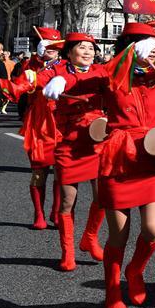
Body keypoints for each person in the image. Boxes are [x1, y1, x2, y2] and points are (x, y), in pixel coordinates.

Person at [48, 22, 155, 308]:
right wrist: (61, 80)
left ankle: (135, 270)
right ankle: (112, 293)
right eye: (143, 47)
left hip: (151, 157)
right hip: (118, 158)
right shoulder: (111, 75)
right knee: (119, 234)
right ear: (128, 49)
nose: (149, 54)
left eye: (152, 49)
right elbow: (83, 79)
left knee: (153, 229)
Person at [37, 33, 106, 271]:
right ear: (69, 52)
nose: (88, 52)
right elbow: (34, 80)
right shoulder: (57, 70)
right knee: (68, 200)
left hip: (97, 142)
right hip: (68, 144)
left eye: (91, 48)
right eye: (82, 47)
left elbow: (118, 84)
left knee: (104, 196)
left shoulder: (100, 71)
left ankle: (90, 237)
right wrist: (47, 82)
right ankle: (68, 252)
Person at [13, 28, 64, 228]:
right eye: (47, 46)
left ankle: (57, 211)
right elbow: (19, 86)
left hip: (61, 122)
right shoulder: (30, 65)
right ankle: (39, 214)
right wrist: (36, 61)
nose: (51, 50)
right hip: (38, 123)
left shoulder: (66, 66)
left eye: (55, 47)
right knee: (39, 171)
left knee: (62, 171)